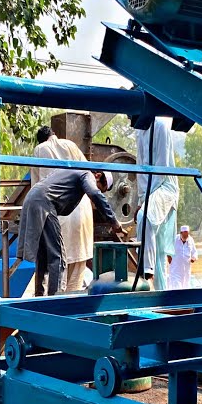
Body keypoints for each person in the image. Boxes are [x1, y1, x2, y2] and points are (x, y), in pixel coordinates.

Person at [18, 168, 127, 296]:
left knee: (43, 255)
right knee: (58, 257)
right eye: (100, 188)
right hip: (44, 202)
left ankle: (40, 296)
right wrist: (114, 221)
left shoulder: (70, 172)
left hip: (32, 198)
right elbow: (95, 194)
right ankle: (55, 299)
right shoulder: (86, 174)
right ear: (97, 176)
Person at [31, 126, 94, 292]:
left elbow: (36, 188)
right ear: (54, 135)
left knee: (58, 264)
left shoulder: (39, 149)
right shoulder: (70, 145)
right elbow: (88, 174)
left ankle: (57, 301)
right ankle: (72, 300)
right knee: (77, 268)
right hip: (82, 209)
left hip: (59, 211)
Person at [134, 116, 180, 289]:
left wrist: (146, 200)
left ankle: (147, 272)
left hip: (165, 185)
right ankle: (160, 293)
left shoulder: (160, 126)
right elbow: (140, 168)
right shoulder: (139, 131)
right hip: (149, 190)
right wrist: (141, 199)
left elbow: (162, 167)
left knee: (145, 217)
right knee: (158, 250)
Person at [168, 224, 200, 289]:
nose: (186, 236)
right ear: (181, 233)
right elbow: (168, 248)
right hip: (176, 269)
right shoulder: (175, 239)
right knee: (177, 287)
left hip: (186, 269)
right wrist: (168, 256)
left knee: (185, 287)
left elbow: (194, 252)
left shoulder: (190, 240)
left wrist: (194, 258)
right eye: (184, 234)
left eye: (187, 234)